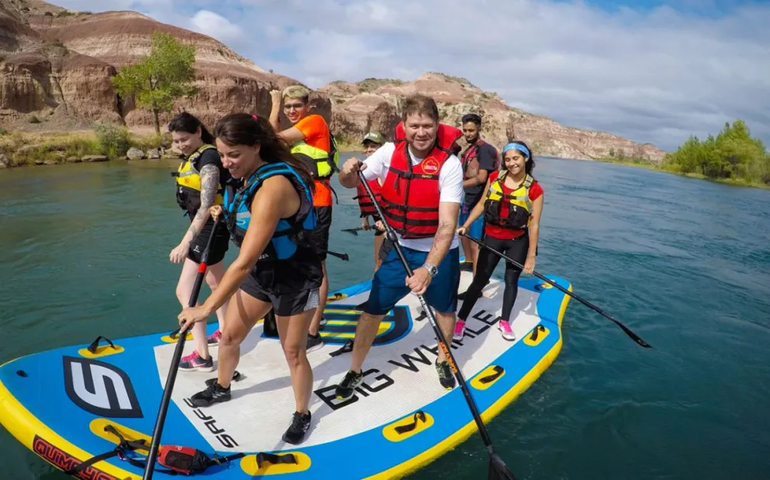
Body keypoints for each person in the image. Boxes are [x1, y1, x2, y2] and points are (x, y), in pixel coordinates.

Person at [178, 113, 322, 445]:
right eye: (222, 154)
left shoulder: (273, 187)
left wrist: (206, 308)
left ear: (256, 147)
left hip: (293, 277)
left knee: (293, 351)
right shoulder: (248, 177)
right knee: (229, 336)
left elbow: (243, 263)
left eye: (235, 155)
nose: (226, 163)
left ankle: (302, 412)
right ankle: (223, 386)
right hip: (265, 272)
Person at [335, 94, 464, 399]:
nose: (422, 132)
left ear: (437, 126)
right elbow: (348, 183)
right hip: (399, 246)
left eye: (428, 126)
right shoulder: (388, 153)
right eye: (415, 125)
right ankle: (355, 370)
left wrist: (428, 269)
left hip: (439, 251)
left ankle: (443, 359)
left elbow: (447, 224)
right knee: (372, 311)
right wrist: (347, 170)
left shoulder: (450, 164)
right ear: (404, 126)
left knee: (445, 311)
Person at [269, 85, 337, 352]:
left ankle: (312, 331)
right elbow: (271, 137)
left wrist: (273, 104)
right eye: (287, 107)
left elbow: (271, 138)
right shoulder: (298, 136)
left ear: (307, 106)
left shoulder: (314, 122)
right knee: (294, 262)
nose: (292, 111)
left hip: (318, 204)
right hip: (300, 204)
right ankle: (293, 316)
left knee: (317, 267)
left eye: (296, 105)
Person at [454, 141, 543, 341]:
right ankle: (461, 320)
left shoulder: (535, 190)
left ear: (526, 158)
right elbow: (482, 204)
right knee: (480, 280)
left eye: (516, 158)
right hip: (492, 239)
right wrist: (465, 225)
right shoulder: (494, 178)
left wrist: (531, 257)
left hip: (517, 242)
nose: (511, 163)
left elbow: (534, 225)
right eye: (508, 159)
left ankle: (504, 321)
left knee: (511, 281)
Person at [168, 112, 231, 372]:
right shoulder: (197, 156)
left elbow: (207, 205)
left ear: (197, 131)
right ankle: (228, 332)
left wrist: (185, 243)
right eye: (176, 141)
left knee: (184, 291)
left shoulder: (208, 158)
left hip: (209, 229)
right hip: (212, 228)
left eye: (184, 139)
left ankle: (202, 355)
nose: (181, 145)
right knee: (217, 282)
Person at [458, 113, 499, 276]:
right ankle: (469, 263)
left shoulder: (485, 150)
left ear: (479, 129)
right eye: (465, 130)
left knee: (476, 242)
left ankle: (477, 284)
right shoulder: (469, 149)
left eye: (471, 130)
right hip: (467, 199)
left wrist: (457, 184)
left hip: (480, 201)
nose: (467, 133)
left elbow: (482, 178)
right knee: (464, 233)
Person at [354, 131, 386, 271]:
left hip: (389, 223)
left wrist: (386, 221)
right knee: (378, 262)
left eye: (373, 146)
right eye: (366, 147)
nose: (369, 150)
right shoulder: (362, 171)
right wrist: (365, 218)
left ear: (382, 147)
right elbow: (362, 195)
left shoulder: (384, 169)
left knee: (386, 261)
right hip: (377, 222)